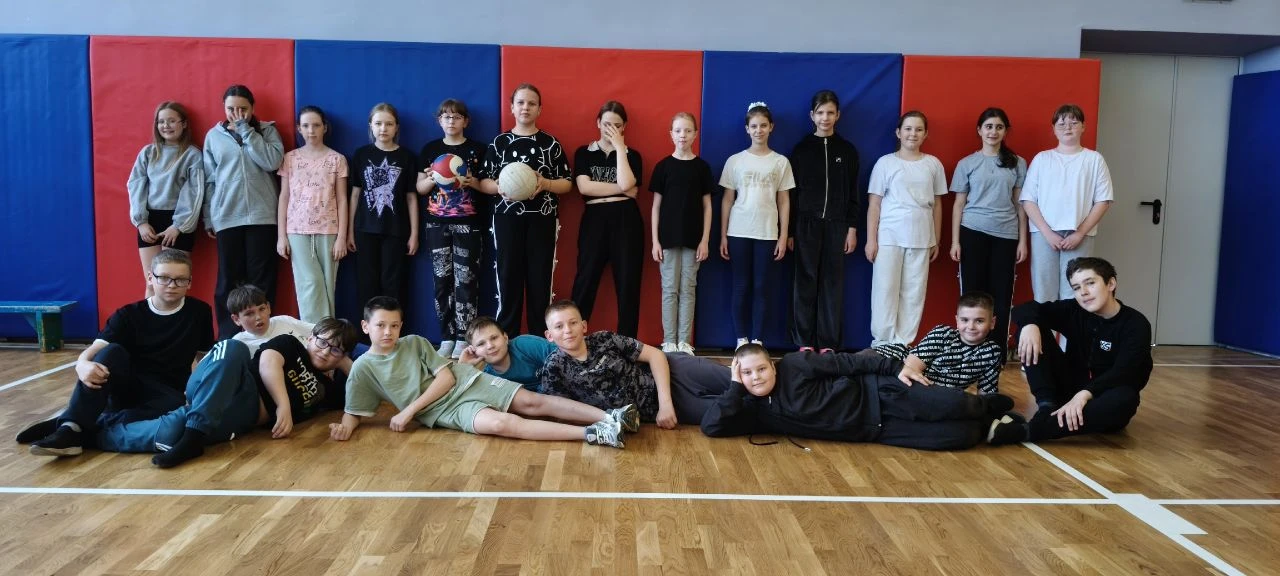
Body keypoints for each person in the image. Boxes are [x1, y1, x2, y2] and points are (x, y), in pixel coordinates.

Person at [329, 297, 632, 448]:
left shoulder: (414, 343)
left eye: (394, 325)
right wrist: (345, 428)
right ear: (366, 326)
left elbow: (447, 378)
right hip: (445, 411)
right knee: (501, 424)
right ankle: (594, 434)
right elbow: (354, 410)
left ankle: (610, 417)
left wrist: (408, 411)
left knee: (532, 403)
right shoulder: (363, 369)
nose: (388, 331)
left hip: (466, 382)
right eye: (381, 325)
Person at [85, 318, 357, 468]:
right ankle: (195, 434)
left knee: (170, 434)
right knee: (232, 347)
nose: (325, 351)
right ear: (310, 338)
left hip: (241, 418)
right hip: (231, 384)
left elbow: (361, 389)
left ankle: (92, 434)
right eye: (322, 342)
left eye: (335, 350)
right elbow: (268, 362)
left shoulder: (330, 389)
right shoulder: (291, 344)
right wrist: (283, 405)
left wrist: (344, 359)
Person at [23, 249, 215, 456]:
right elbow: (97, 349)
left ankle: (74, 425)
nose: (172, 285)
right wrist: (82, 364)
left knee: (179, 409)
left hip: (167, 393)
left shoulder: (200, 312)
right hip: (127, 386)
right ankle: (71, 427)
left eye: (180, 280)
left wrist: (198, 391)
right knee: (112, 351)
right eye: (164, 278)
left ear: (189, 282)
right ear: (150, 278)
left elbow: (203, 357)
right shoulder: (128, 314)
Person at [700, 343, 1015, 451]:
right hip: (876, 430)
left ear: (772, 365)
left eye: (761, 369)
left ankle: (987, 405)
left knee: (957, 404)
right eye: (747, 373)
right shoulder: (753, 408)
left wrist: (895, 368)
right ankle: (991, 424)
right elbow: (711, 426)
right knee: (960, 436)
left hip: (880, 393)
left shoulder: (796, 364)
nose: (756, 377)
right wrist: (735, 387)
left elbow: (849, 362)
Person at [989, 257, 1152, 444]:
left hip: (1102, 397)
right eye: (1076, 287)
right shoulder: (1075, 310)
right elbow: (1024, 308)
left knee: (1125, 399)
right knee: (1029, 328)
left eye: (1090, 283)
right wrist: (1029, 324)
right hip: (1067, 390)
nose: (1083, 292)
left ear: (1111, 283)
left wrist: (1085, 393)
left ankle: (1028, 431)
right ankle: (1046, 407)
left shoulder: (1135, 324)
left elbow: (1124, 372)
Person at [539, 301, 732, 427]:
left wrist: (666, 404)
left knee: (739, 379)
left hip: (673, 371)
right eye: (559, 326)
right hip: (658, 409)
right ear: (549, 335)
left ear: (584, 326)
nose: (567, 330)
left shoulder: (604, 338)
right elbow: (562, 412)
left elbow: (656, 355)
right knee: (731, 412)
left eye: (573, 323)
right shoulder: (554, 368)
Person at [478, 83, 572, 336]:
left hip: (542, 219)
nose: (525, 107)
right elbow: (482, 182)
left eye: (531, 103)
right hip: (506, 219)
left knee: (540, 280)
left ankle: (540, 338)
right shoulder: (499, 143)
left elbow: (567, 183)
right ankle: (506, 338)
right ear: (511, 107)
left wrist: (545, 184)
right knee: (508, 278)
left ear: (539, 109)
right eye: (520, 102)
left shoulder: (550, 144)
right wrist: (499, 187)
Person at [203, 84, 285, 338]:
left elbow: (272, 162)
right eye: (231, 109)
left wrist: (246, 130)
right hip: (227, 216)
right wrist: (208, 216)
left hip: (262, 216)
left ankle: (262, 335)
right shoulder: (213, 136)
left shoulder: (267, 131)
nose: (237, 113)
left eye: (243, 109)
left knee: (262, 279)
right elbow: (209, 180)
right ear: (223, 108)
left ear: (252, 108)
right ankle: (229, 337)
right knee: (228, 279)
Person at [949, 108, 1028, 355]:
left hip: (1006, 236)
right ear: (980, 130)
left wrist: (1023, 241)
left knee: (1001, 296)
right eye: (989, 126)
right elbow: (958, 204)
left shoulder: (1017, 163)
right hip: (972, 232)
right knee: (972, 294)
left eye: (999, 127)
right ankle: (969, 351)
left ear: (1005, 131)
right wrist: (955, 241)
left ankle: (996, 351)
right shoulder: (967, 163)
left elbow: (1020, 204)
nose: (993, 132)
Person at [865, 110, 946, 346]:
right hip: (889, 236)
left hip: (921, 237)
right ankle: (882, 342)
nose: (913, 134)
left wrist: (936, 239)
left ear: (925, 134)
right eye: (908, 129)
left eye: (919, 129)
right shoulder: (885, 163)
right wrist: (871, 240)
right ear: (898, 132)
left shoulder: (933, 164)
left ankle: (902, 344)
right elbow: (874, 204)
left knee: (914, 292)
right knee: (885, 290)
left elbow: (937, 205)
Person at [788, 90, 860, 353]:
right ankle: (804, 341)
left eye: (830, 112)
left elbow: (853, 192)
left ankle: (828, 343)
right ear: (812, 115)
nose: (825, 118)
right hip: (806, 225)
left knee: (832, 284)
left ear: (838, 115)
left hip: (837, 225)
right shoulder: (801, 149)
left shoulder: (847, 150)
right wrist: (790, 231)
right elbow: (791, 194)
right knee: (804, 282)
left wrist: (851, 228)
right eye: (820, 113)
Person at [1020, 104, 1114, 302]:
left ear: (1083, 127)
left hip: (1080, 234)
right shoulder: (1042, 159)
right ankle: (1046, 325)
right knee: (1044, 291)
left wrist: (1079, 233)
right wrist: (1047, 233)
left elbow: (1103, 200)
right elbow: (1028, 200)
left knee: (1076, 291)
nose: (1068, 127)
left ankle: (1071, 326)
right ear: (1054, 129)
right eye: (1061, 124)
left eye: (1074, 122)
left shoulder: (1094, 159)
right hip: (1044, 235)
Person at [719, 102, 794, 349]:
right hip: (738, 231)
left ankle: (757, 339)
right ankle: (741, 339)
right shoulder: (735, 161)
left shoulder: (780, 162)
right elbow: (727, 199)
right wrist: (723, 235)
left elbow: (784, 200)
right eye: (754, 126)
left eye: (763, 125)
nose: (758, 130)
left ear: (771, 127)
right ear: (747, 129)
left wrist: (783, 235)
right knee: (741, 286)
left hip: (767, 233)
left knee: (762, 287)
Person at [417, 98, 488, 358]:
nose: (451, 121)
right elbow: (420, 188)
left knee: (466, 281)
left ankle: (463, 337)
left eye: (457, 117)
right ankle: (446, 336)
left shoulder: (478, 149)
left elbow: (487, 185)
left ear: (465, 121)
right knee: (441, 281)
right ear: (439, 121)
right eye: (446, 117)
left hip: (469, 225)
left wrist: (470, 181)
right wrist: (433, 178)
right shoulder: (430, 149)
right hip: (437, 224)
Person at [571, 100, 645, 337]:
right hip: (594, 219)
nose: (610, 129)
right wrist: (623, 189)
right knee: (585, 279)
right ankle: (575, 340)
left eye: (616, 125)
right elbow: (584, 187)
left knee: (628, 283)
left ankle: (627, 343)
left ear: (624, 127)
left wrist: (620, 148)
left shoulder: (633, 156)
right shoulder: (584, 153)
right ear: (597, 123)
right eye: (606, 124)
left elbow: (628, 182)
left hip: (626, 221)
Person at [348, 103, 420, 323]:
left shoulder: (407, 157)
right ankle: (367, 332)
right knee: (366, 284)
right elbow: (354, 195)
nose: (383, 128)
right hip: (364, 230)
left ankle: (394, 331)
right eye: (378, 123)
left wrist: (414, 234)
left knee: (394, 284)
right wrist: (349, 232)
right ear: (370, 125)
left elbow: (411, 198)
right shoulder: (361, 155)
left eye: (388, 124)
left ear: (396, 127)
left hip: (396, 231)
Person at [277, 105, 349, 323]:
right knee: (309, 283)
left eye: (316, 125)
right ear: (299, 128)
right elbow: (284, 197)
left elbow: (342, 199)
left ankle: (328, 333)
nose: (311, 130)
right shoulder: (290, 158)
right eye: (306, 125)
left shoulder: (337, 159)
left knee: (327, 284)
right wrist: (281, 236)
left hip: (329, 229)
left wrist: (342, 237)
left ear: (324, 127)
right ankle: (314, 332)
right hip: (297, 231)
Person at [649, 112, 714, 355]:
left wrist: (705, 240)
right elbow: (655, 207)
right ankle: (669, 340)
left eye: (687, 130)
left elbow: (707, 207)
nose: (683, 135)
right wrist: (655, 241)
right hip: (667, 240)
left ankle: (685, 342)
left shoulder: (702, 168)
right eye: (678, 130)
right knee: (669, 290)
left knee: (688, 289)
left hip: (693, 240)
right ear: (671, 134)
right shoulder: (663, 167)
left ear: (695, 134)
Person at [127, 101, 204, 299]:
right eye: (161, 121)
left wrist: (178, 226)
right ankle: (148, 320)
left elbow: (194, 193)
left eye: (171, 121)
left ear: (183, 124)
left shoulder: (192, 155)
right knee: (152, 284)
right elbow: (136, 185)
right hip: (150, 222)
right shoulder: (148, 152)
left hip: (177, 224)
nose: (166, 126)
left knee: (173, 285)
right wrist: (141, 222)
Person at [873, 292, 1005, 396]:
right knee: (865, 360)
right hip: (895, 365)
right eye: (965, 320)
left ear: (992, 323)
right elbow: (910, 370)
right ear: (957, 321)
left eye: (979, 321)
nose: (971, 327)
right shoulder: (943, 333)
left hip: (938, 395)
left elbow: (986, 395)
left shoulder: (992, 352)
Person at [458, 316, 556, 391]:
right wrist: (463, 367)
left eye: (494, 338)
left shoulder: (525, 344)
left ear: (505, 338)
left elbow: (563, 356)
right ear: (474, 351)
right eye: (481, 344)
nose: (490, 346)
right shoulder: (489, 377)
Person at [227, 284, 314, 355]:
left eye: (262, 309)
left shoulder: (283, 321)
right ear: (236, 319)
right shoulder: (238, 344)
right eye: (249, 314)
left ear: (268, 308)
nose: (258, 317)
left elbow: (318, 331)